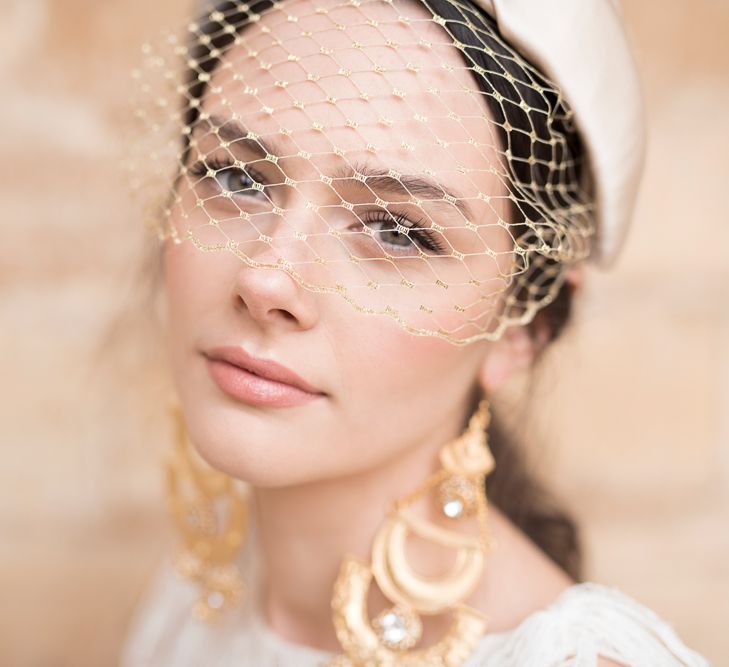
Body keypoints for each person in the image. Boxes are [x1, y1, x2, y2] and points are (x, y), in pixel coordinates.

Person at [120, 0, 709, 664]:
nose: (265, 280)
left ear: (523, 326)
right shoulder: (201, 592)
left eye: (396, 230)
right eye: (235, 176)